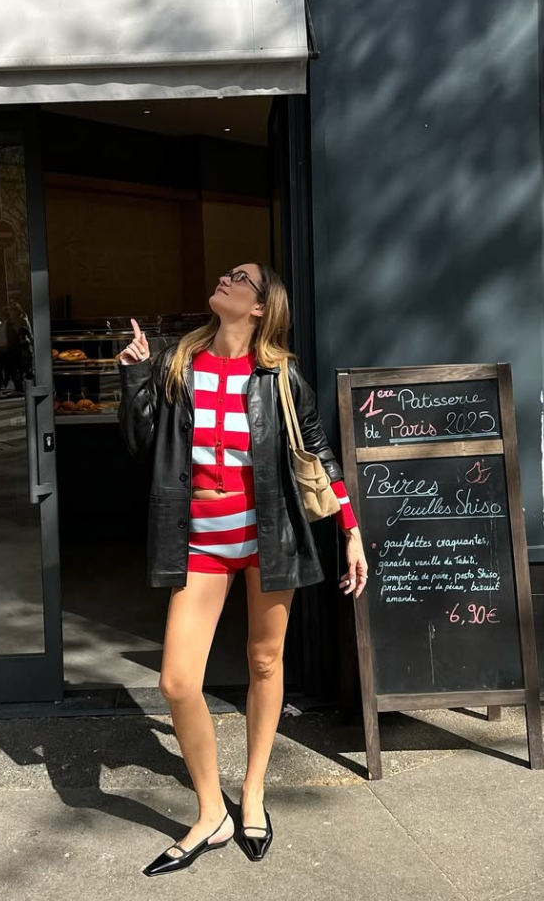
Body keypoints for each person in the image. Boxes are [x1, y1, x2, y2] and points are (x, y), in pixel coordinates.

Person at [118, 263, 367, 877]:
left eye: (240, 278)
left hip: (269, 536)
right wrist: (134, 376)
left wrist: (351, 529)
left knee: (264, 661)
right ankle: (212, 813)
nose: (225, 279)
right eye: (227, 274)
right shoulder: (181, 361)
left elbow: (316, 448)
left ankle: (252, 793)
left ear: (260, 308)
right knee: (177, 681)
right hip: (200, 540)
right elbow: (142, 444)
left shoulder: (280, 375)